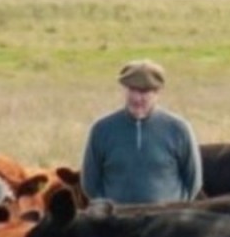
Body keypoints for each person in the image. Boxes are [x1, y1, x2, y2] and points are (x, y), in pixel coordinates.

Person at [81, 60, 202, 204]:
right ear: (124, 90)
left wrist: (173, 214)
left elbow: (193, 183)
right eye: (132, 90)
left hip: (164, 223)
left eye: (144, 92)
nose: (137, 98)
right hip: (118, 223)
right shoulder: (101, 130)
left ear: (157, 92)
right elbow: (90, 183)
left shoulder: (179, 130)